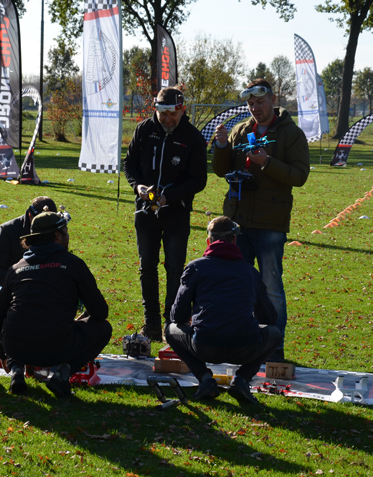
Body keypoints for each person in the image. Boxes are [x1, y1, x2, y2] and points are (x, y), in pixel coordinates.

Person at [212, 78, 310, 362]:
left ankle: (273, 350)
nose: (255, 108)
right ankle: (236, 343)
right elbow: (221, 170)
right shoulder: (240, 131)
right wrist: (220, 146)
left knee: (270, 289)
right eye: (251, 104)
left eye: (260, 102)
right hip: (237, 223)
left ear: (273, 99)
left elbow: (299, 176)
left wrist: (266, 162)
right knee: (235, 285)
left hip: (270, 223)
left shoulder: (292, 134)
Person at [0, 212, 112, 397]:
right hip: (57, 348)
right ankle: (63, 375)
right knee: (103, 328)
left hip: (16, 347)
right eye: (66, 231)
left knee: (18, 322)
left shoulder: (16, 269)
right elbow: (100, 312)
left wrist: (4, 354)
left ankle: (16, 370)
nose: (68, 235)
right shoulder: (73, 264)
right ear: (57, 235)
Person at [165, 216, 283, 404]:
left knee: (170, 329)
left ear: (208, 241)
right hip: (245, 346)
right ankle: (242, 379)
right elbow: (270, 317)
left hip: (205, 345)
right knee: (275, 333)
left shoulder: (196, 267)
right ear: (235, 241)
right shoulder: (250, 272)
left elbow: (176, 316)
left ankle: (205, 379)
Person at [123, 86, 208, 342]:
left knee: (174, 269)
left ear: (181, 109)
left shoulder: (193, 137)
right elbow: (129, 164)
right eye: (163, 114)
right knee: (146, 267)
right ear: (155, 110)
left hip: (176, 215)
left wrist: (169, 196)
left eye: (172, 114)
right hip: (145, 211)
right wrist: (138, 186)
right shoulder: (144, 129)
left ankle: (171, 322)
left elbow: (198, 180)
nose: (167, 120)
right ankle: (150, 323)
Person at [0, 196, 57, 306]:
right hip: (4, 285)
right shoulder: (7, 230)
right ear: (30, 215)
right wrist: (22, 282)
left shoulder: (55, 232)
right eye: (41, 223)